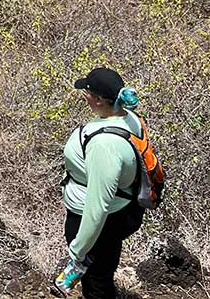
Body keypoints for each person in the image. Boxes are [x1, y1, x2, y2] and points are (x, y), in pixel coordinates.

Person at [59, 67, 146, 299]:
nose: (84, 95)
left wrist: (78, 250)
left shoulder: (104, 145)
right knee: (103, 272)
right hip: (122, 209)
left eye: (86, 91)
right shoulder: (130, 118)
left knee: (96, 281)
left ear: (97, 99)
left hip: (101, 222)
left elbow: (98, 207)